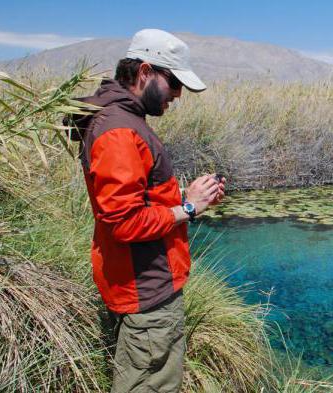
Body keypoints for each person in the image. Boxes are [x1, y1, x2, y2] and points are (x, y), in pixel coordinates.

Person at [66, 29, 224, 392]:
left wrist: (191, 194)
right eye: (174, 82)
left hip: (136, 284)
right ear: (145, 71)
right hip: (147, 294)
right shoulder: (120, 130)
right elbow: (125, 222)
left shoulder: (119, 119)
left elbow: (135, 199)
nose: (178, 94)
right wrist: (189, 207)